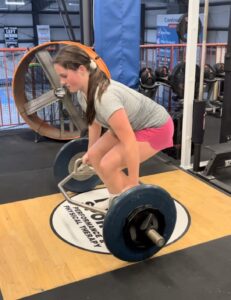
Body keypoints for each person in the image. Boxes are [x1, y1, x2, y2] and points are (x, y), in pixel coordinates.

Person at [53, 45, 174, 206]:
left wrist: (132, 183)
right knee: (95, 157)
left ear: (81, 69)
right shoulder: (83, 94)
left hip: (157, 128)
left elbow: (129, 140)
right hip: (134, 125)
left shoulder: (105, 97)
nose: (62, 82)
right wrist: (90, 151)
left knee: (108, 164)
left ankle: (129, 204)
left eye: (64, 76)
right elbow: (94, 123)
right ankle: (116, 197)